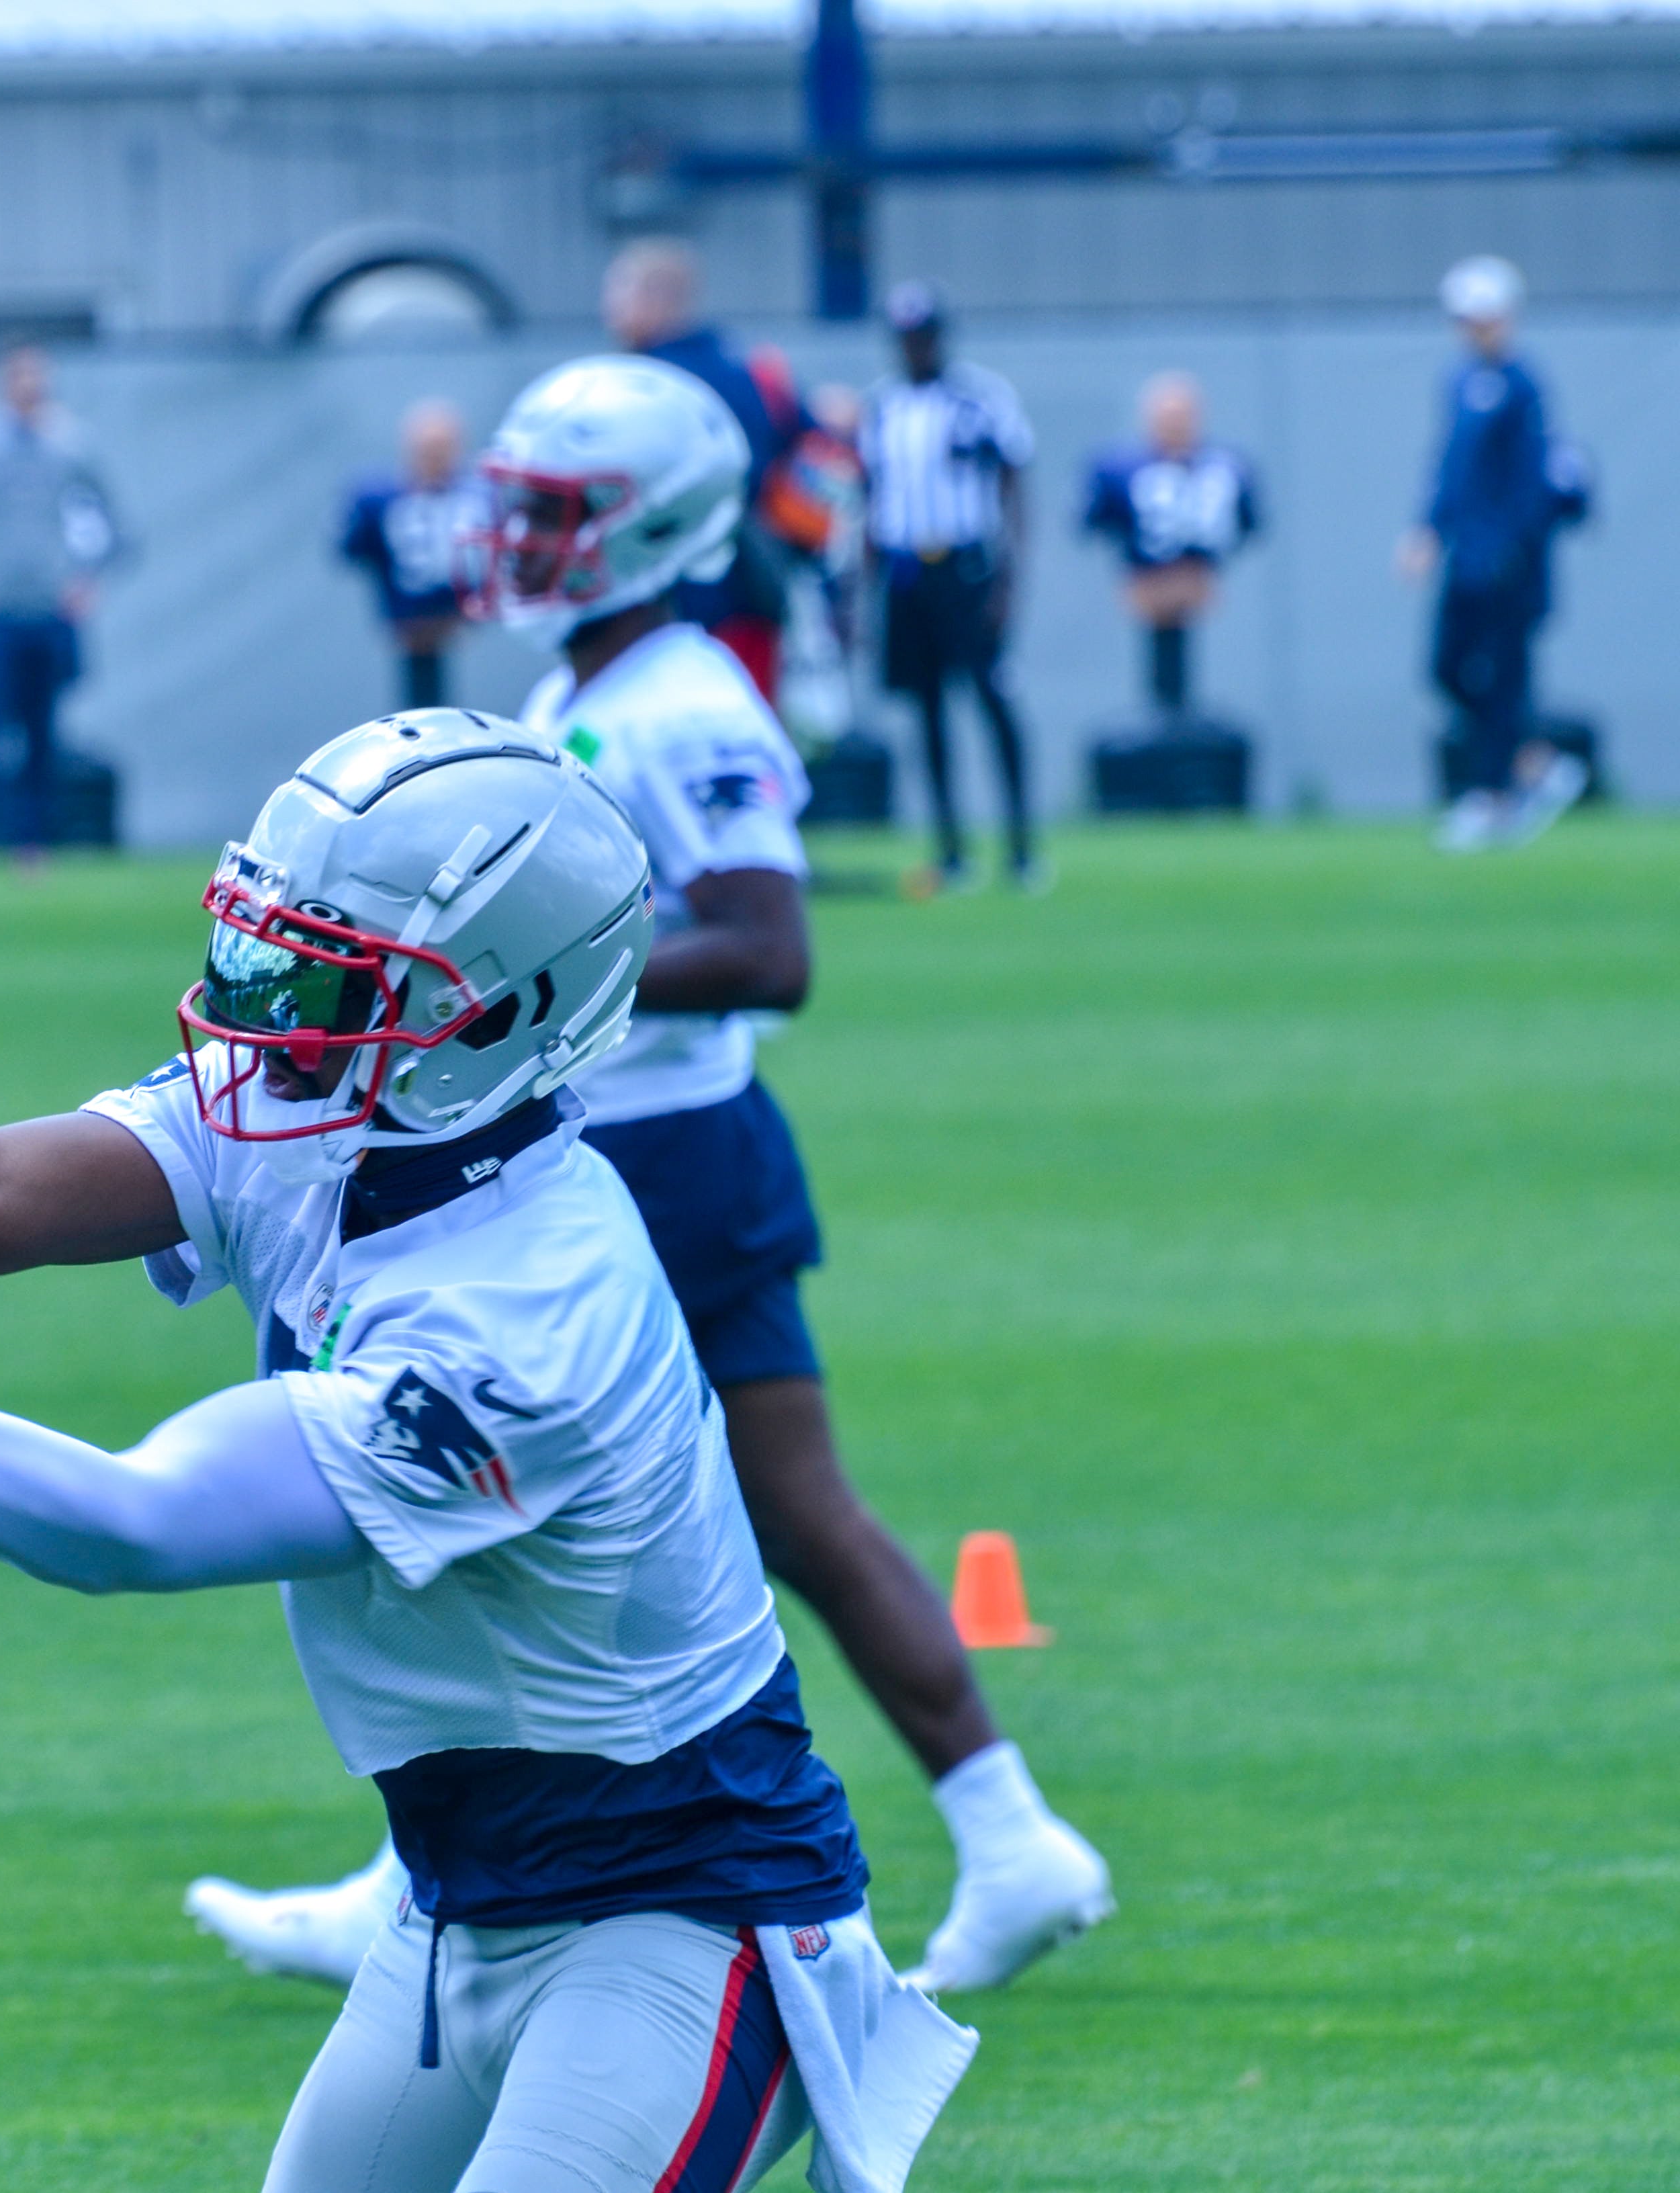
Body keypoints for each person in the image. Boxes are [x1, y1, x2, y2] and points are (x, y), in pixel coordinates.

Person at [0, 707, 977, 2191]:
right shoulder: (330, 1108)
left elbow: (134, 1525)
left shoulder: (533, 1313)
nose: (265, 1001)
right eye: (269, 941)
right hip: (458, 1896)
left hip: (684, 1910)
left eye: (330, 969)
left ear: (499, 1016)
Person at [184, 356, 1112, 2005]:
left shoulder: (682, 703)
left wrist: (496, 985)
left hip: (661, 1158)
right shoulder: (603, 683)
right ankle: (1009, 1830)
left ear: (660, 528)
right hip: (665, 1151)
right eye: (522, 510)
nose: (522, 542)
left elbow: (771, 945)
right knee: (752, 1517)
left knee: (485, 1513)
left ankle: (417, 1891)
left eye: (558, 515)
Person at [1400, 255, 1592, 854]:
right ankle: (1533, 761)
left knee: (1506, 677)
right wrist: (1428, 529)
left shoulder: (1524, 386)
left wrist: (1516, 545)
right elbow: (1450, 469)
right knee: (1447, 668)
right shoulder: (1459, 383)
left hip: (1510, 560)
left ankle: (1494, 797)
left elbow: (1535, 480)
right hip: (1466, 556)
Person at [859, 283, 1043, 893]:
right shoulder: (882, 406)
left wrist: (1008, 578)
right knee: (927, 711)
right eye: (907, 339)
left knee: (993, 701)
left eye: (925, 337)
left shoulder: (981, 399)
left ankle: (1021, 849)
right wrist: (865, 588)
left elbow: (1013, 485)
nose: (916, 349)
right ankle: (952, 850)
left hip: (966, 566)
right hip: (906, 571)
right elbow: (871, 498)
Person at [0, 341, 123, 863]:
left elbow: (109, 519)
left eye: (38, 378)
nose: (30, 388)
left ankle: (31, 845)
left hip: (48, 611)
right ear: (1, 383)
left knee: (41, 730)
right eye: (20, 378)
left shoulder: (71, 446)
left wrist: (86, 580)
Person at [601, 239, 799, 702]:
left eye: (617, 293)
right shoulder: (746, 370)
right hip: (752, 594)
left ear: (656, 298)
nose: (607, 309)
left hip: (673, 605)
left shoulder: (643, 384)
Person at [1079, 372, 1262, 720]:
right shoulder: (1118, 470)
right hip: (1145, 577)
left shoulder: (1226, 469)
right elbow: (1093, 523)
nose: (1174, 425)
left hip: (1199, 577)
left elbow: (1247, 525)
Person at [336, 400, 487, 712]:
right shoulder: (378, 499)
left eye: (443, 447)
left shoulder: (480, 496)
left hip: (462, 617)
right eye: (428, 448)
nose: (436, 458)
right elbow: (353, 550)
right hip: (409, 623)